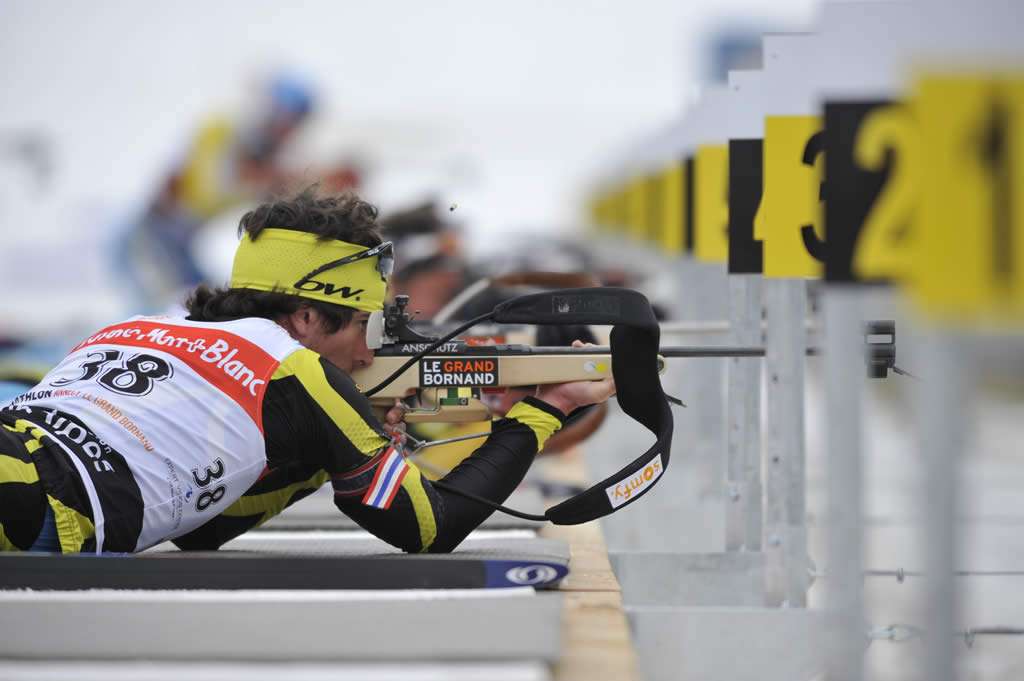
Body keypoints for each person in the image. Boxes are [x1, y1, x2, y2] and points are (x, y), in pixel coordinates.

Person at [0, 186, 614, 554]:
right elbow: (428, 527)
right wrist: (546, 411)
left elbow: (198, 529)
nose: (370, 354)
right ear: (306, 318)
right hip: (34, 503)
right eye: (366, 327)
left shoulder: (129, 328)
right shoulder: (298, 372)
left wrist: (323, 452)